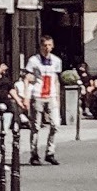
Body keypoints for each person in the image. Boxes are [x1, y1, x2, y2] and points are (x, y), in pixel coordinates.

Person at [22, 35, 62, 166]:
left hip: (51, 95)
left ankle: (50, 152)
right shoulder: (34, 61)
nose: (47, 48)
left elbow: (56, 79)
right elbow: (27, 78)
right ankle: (34, 153)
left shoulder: (56, 61)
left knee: (55, 124)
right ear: (41, 46)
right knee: (36, 126)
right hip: (37, 95)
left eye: (50, 45)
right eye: (45, 45)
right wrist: (26, 97)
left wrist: (57, 98)